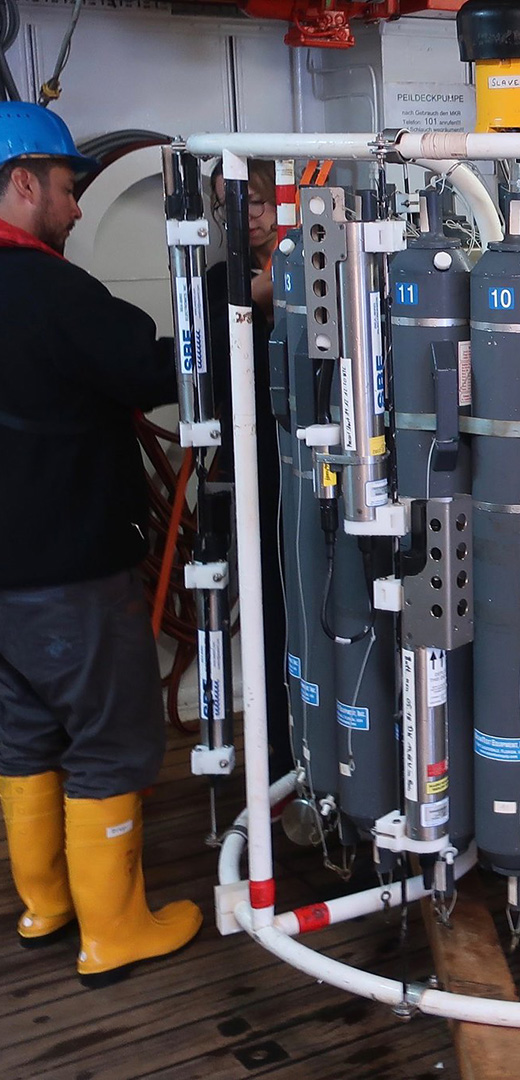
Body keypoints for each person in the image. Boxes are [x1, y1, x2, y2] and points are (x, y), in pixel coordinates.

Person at [0, 102, 201, 987]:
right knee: (110, 742)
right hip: (71, 573)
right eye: (70, 189)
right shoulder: (50, 290)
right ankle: (113, 931)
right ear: (22, 181)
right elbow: (155, 370)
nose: (78, 208)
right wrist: (247, 305)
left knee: (23, 738)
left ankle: (47, 907)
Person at [205, 159, 294, 775]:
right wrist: (252, 306)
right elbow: (210, 375)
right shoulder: (218, 285)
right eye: (231, 206)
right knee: (266, 606)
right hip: (257, 469)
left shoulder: (322, 269)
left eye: (256, 202)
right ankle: (280, 754)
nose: (247, 218)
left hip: (317, 467)